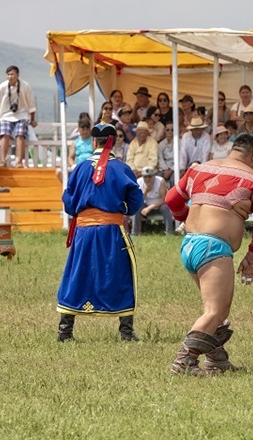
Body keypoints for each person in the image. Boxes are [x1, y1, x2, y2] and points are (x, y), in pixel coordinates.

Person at [165, 133, 253, 376]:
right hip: (213, 248)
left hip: (190, 244)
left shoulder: (199, 169)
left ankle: (217, 359)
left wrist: (185, 217)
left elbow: (171, 199)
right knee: (215, 311)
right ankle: (184, 361)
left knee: (216, 308)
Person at [56, 123, 143, 342]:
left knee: (77, 274)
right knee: (119, 274)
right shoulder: (122, 168)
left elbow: (68, 201)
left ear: (94, 142)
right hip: (111, 230)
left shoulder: (81, 167)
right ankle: (126, 332)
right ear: (114, 142)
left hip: (84, 232)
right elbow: (135, 200)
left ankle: (65, 330)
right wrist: (121, 209)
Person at [0, 65, 38, 168]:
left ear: (17, 75)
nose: (10, 77)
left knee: (20, 134)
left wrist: (33, 119)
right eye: (8, 75)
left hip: (22, 114)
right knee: (4, 134)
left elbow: (31, 103)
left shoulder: (25, 86)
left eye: (12, 74)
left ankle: (19, 161)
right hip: (5, 114)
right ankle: (3, 160)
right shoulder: (2, 86)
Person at [132, 167, 174, 235]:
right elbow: (138, 200)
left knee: (165, 208)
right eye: (145, 177)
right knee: (136, 208)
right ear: (142, 176)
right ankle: (135, 232)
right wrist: (146, 191)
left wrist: (149, 208)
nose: (147, 179)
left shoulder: (160, 181)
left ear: (154, 176)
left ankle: (170, 232)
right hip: (145, 203)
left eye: (150, 177)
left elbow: (164, 199)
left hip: (159, 204)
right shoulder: (139, 182)